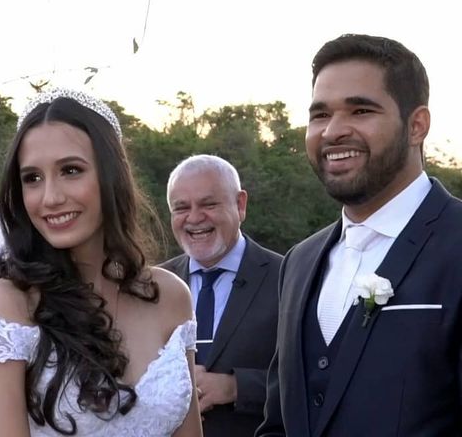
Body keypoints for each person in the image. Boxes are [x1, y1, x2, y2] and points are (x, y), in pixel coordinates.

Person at [0, 88, 203, 436]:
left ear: (111, 176)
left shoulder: (171, 296)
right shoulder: (8, 306)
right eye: (32, 178)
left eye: (71, 170)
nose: (51, 198)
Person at [257, 34, 462, 436]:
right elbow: (280, 424)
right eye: (319, 115)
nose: (333, 131)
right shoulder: (298, 262)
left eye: (361, 110)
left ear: (417, 125)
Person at [160, 154, 282, 437]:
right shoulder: (152, 286)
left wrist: (236, 386)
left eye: (208, 204)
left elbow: (316, 379)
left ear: (240, 205)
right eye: (181, 208)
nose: (194, 218)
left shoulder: (289, 277)